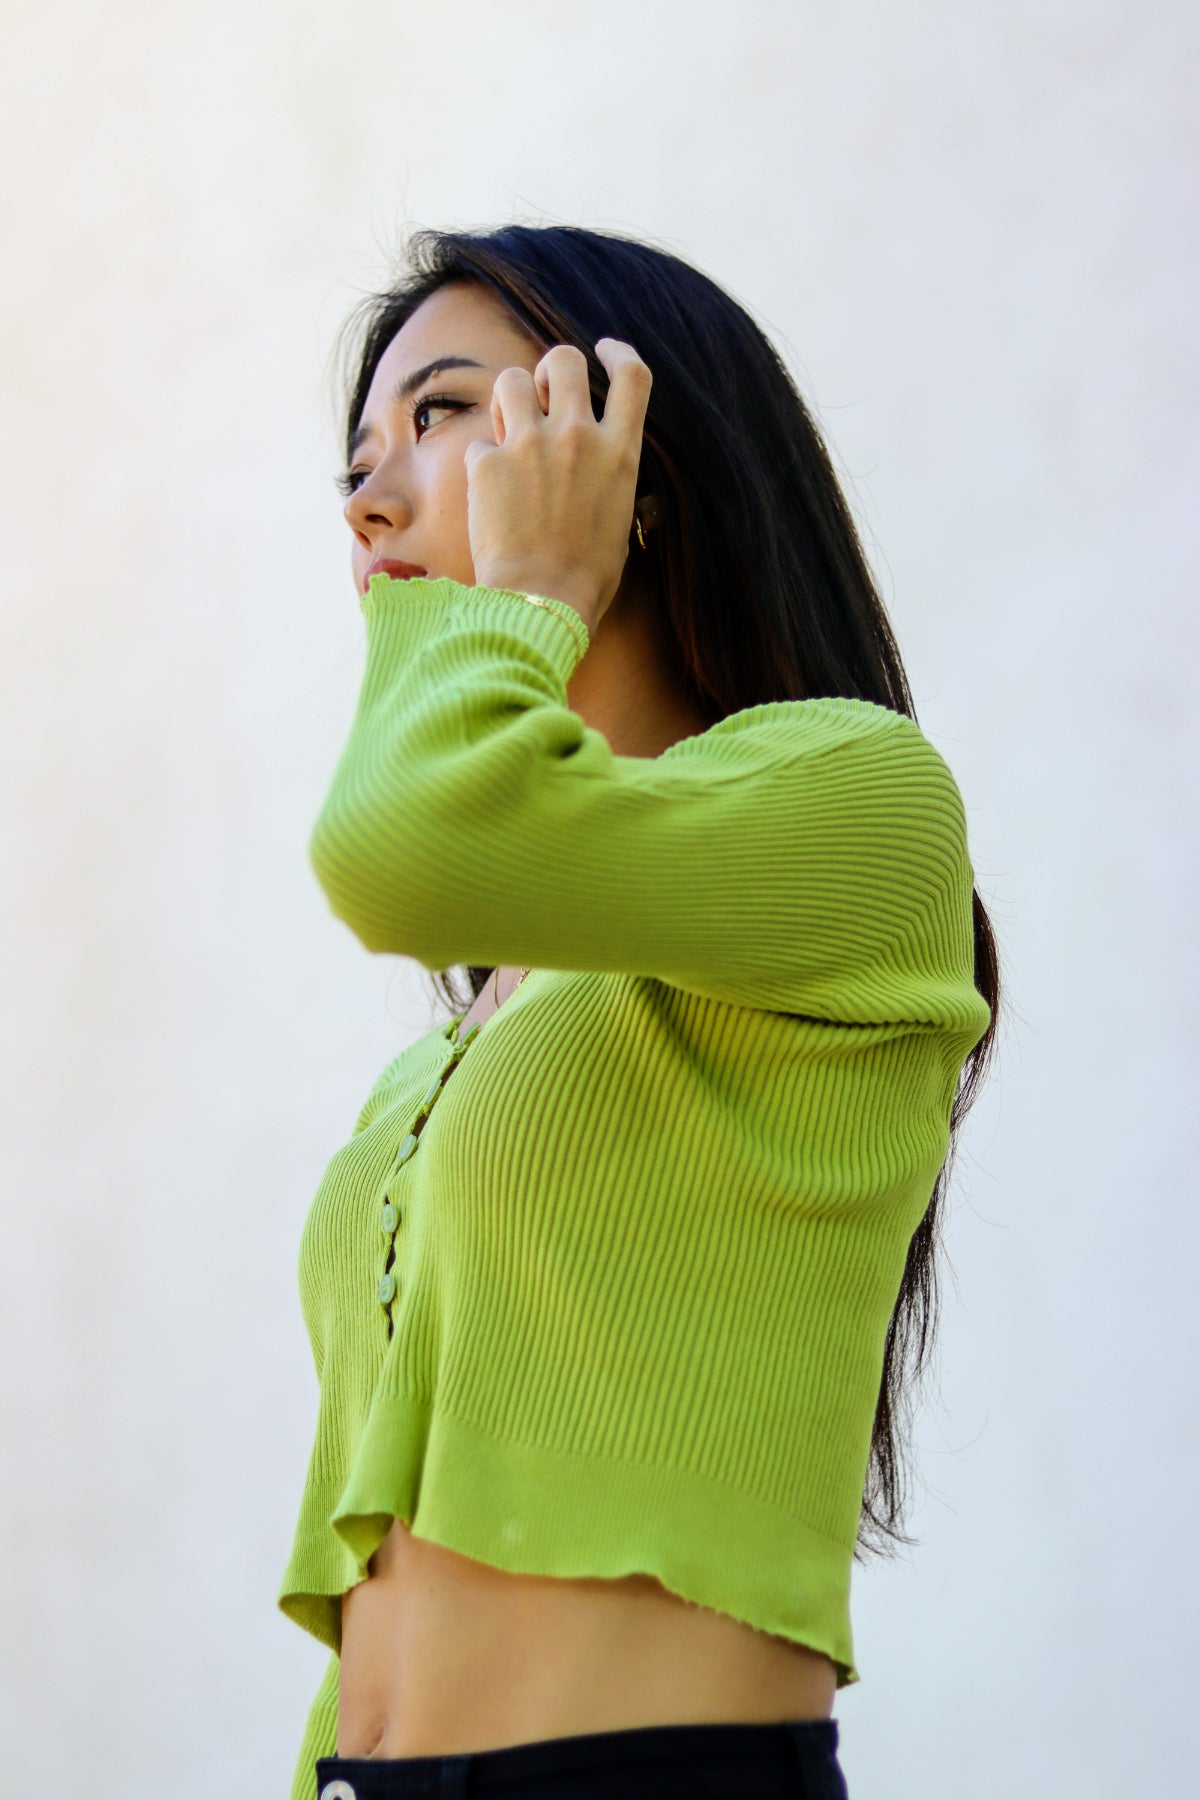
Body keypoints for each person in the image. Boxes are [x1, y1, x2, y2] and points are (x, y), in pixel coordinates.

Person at [277, 224, 1000, 1800]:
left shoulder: (865, 804)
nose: (369, 500)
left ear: (634, 463)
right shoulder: (461, 1041)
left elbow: (397, 847)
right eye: (358, 459)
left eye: (443, 412)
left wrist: (532, 588)